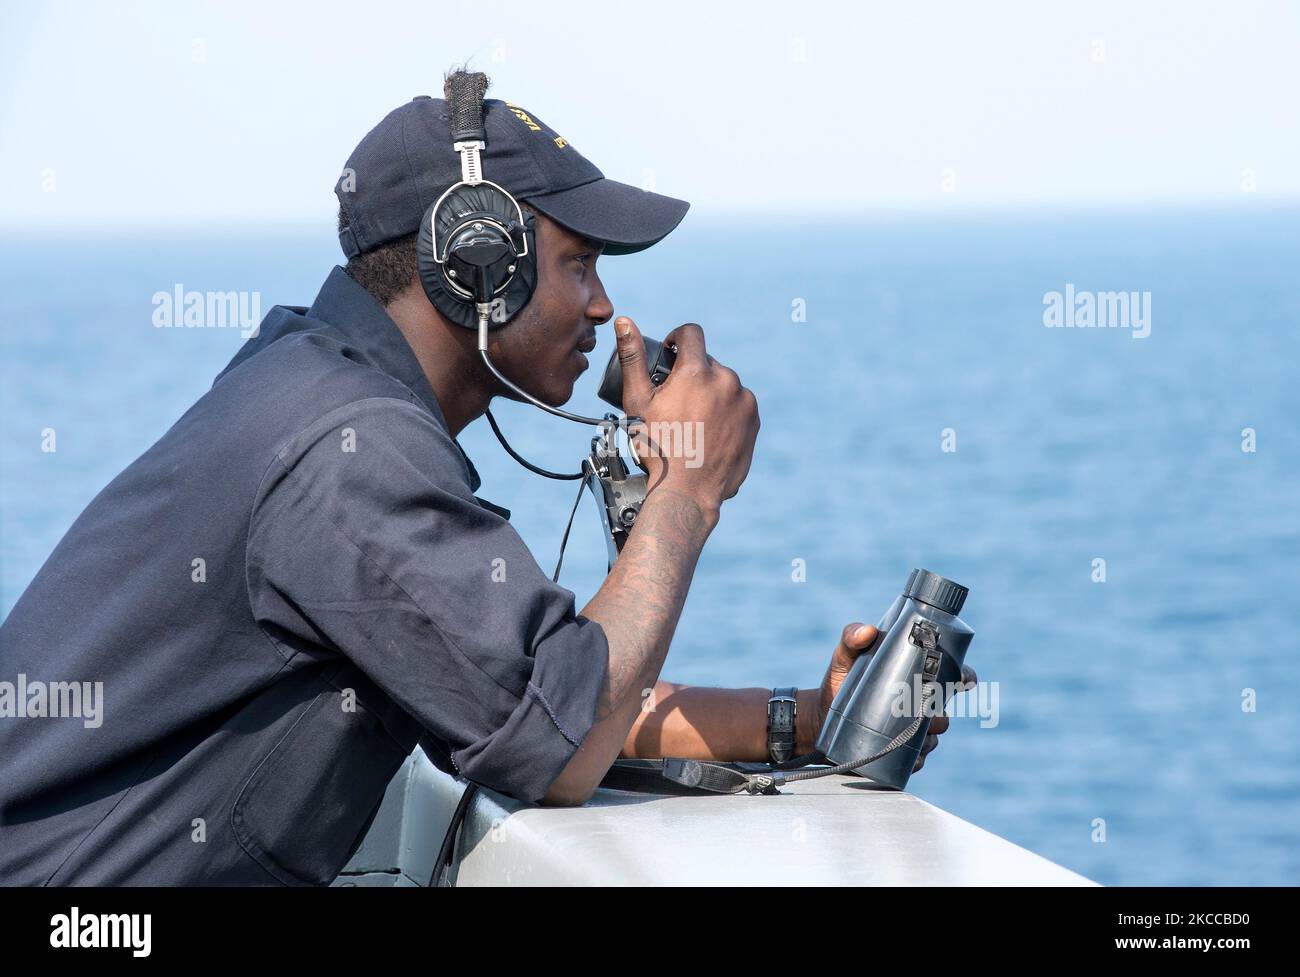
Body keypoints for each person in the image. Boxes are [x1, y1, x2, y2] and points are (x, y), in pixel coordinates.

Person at [0, 72, 969, 886]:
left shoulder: (316, 387)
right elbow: (553, 743)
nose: (602, 306)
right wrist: (687, 486)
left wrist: (801, 717)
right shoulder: (351, 449)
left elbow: (519, 690)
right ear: (475, 264)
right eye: (579, 264)